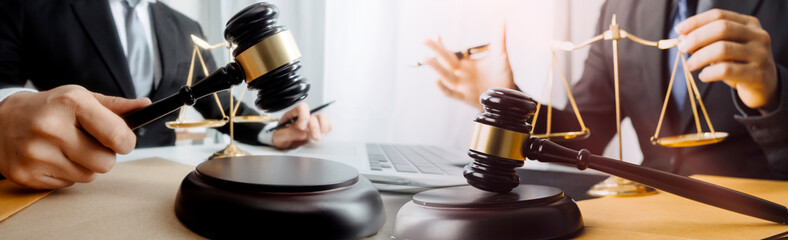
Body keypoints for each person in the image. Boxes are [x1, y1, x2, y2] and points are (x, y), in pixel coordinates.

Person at [424, 0, 788, 179]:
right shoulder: (621, 8)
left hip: (758, 206)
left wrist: (772, 93)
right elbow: (584, 135)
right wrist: (507, 100)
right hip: (651, 211)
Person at [0, 0, 331, 189]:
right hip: (67, 183)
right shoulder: (30, 7)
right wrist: (5, 113)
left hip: (164, 185)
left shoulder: (186, 26)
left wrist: (274, 133)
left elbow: (218, 104)